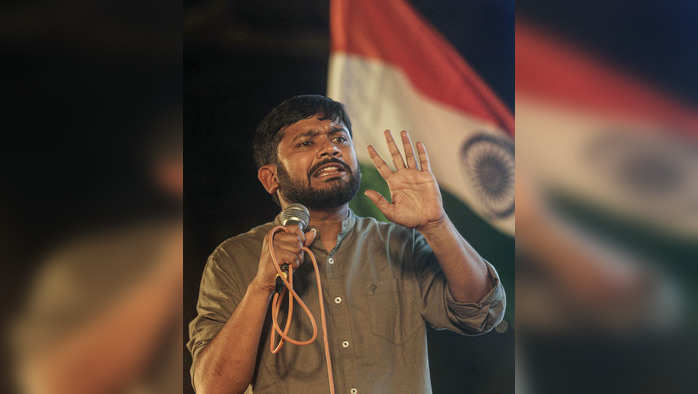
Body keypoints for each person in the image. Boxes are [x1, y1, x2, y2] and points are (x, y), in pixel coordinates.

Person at [187, 95, 505, 394]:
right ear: (271, 178)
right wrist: (261, 285)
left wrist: (437, 225)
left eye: (339, 138)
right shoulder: (233, 258)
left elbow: (481, 312)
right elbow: (212, 387)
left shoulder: (399, 242)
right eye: (307, 142)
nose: (330, 149)